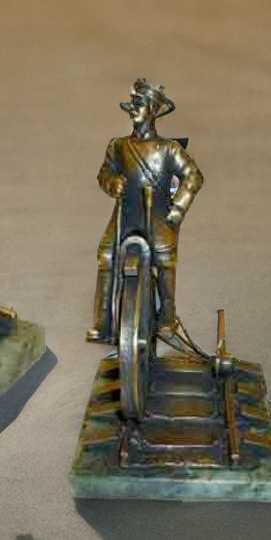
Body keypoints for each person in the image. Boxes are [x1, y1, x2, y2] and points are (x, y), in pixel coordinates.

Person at [87, 78, 203, 346]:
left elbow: (193, 177)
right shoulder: (118, 146)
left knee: (164, 260)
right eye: (133, 104)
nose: (134, 109)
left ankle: (167, 318)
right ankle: (103, 322)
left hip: (159, 217)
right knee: (107, 256)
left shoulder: (169, 150)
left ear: (153, 110)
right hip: (125, 215)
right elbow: (104, 174)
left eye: (139, 104)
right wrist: (112, 183)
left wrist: (177, 211)